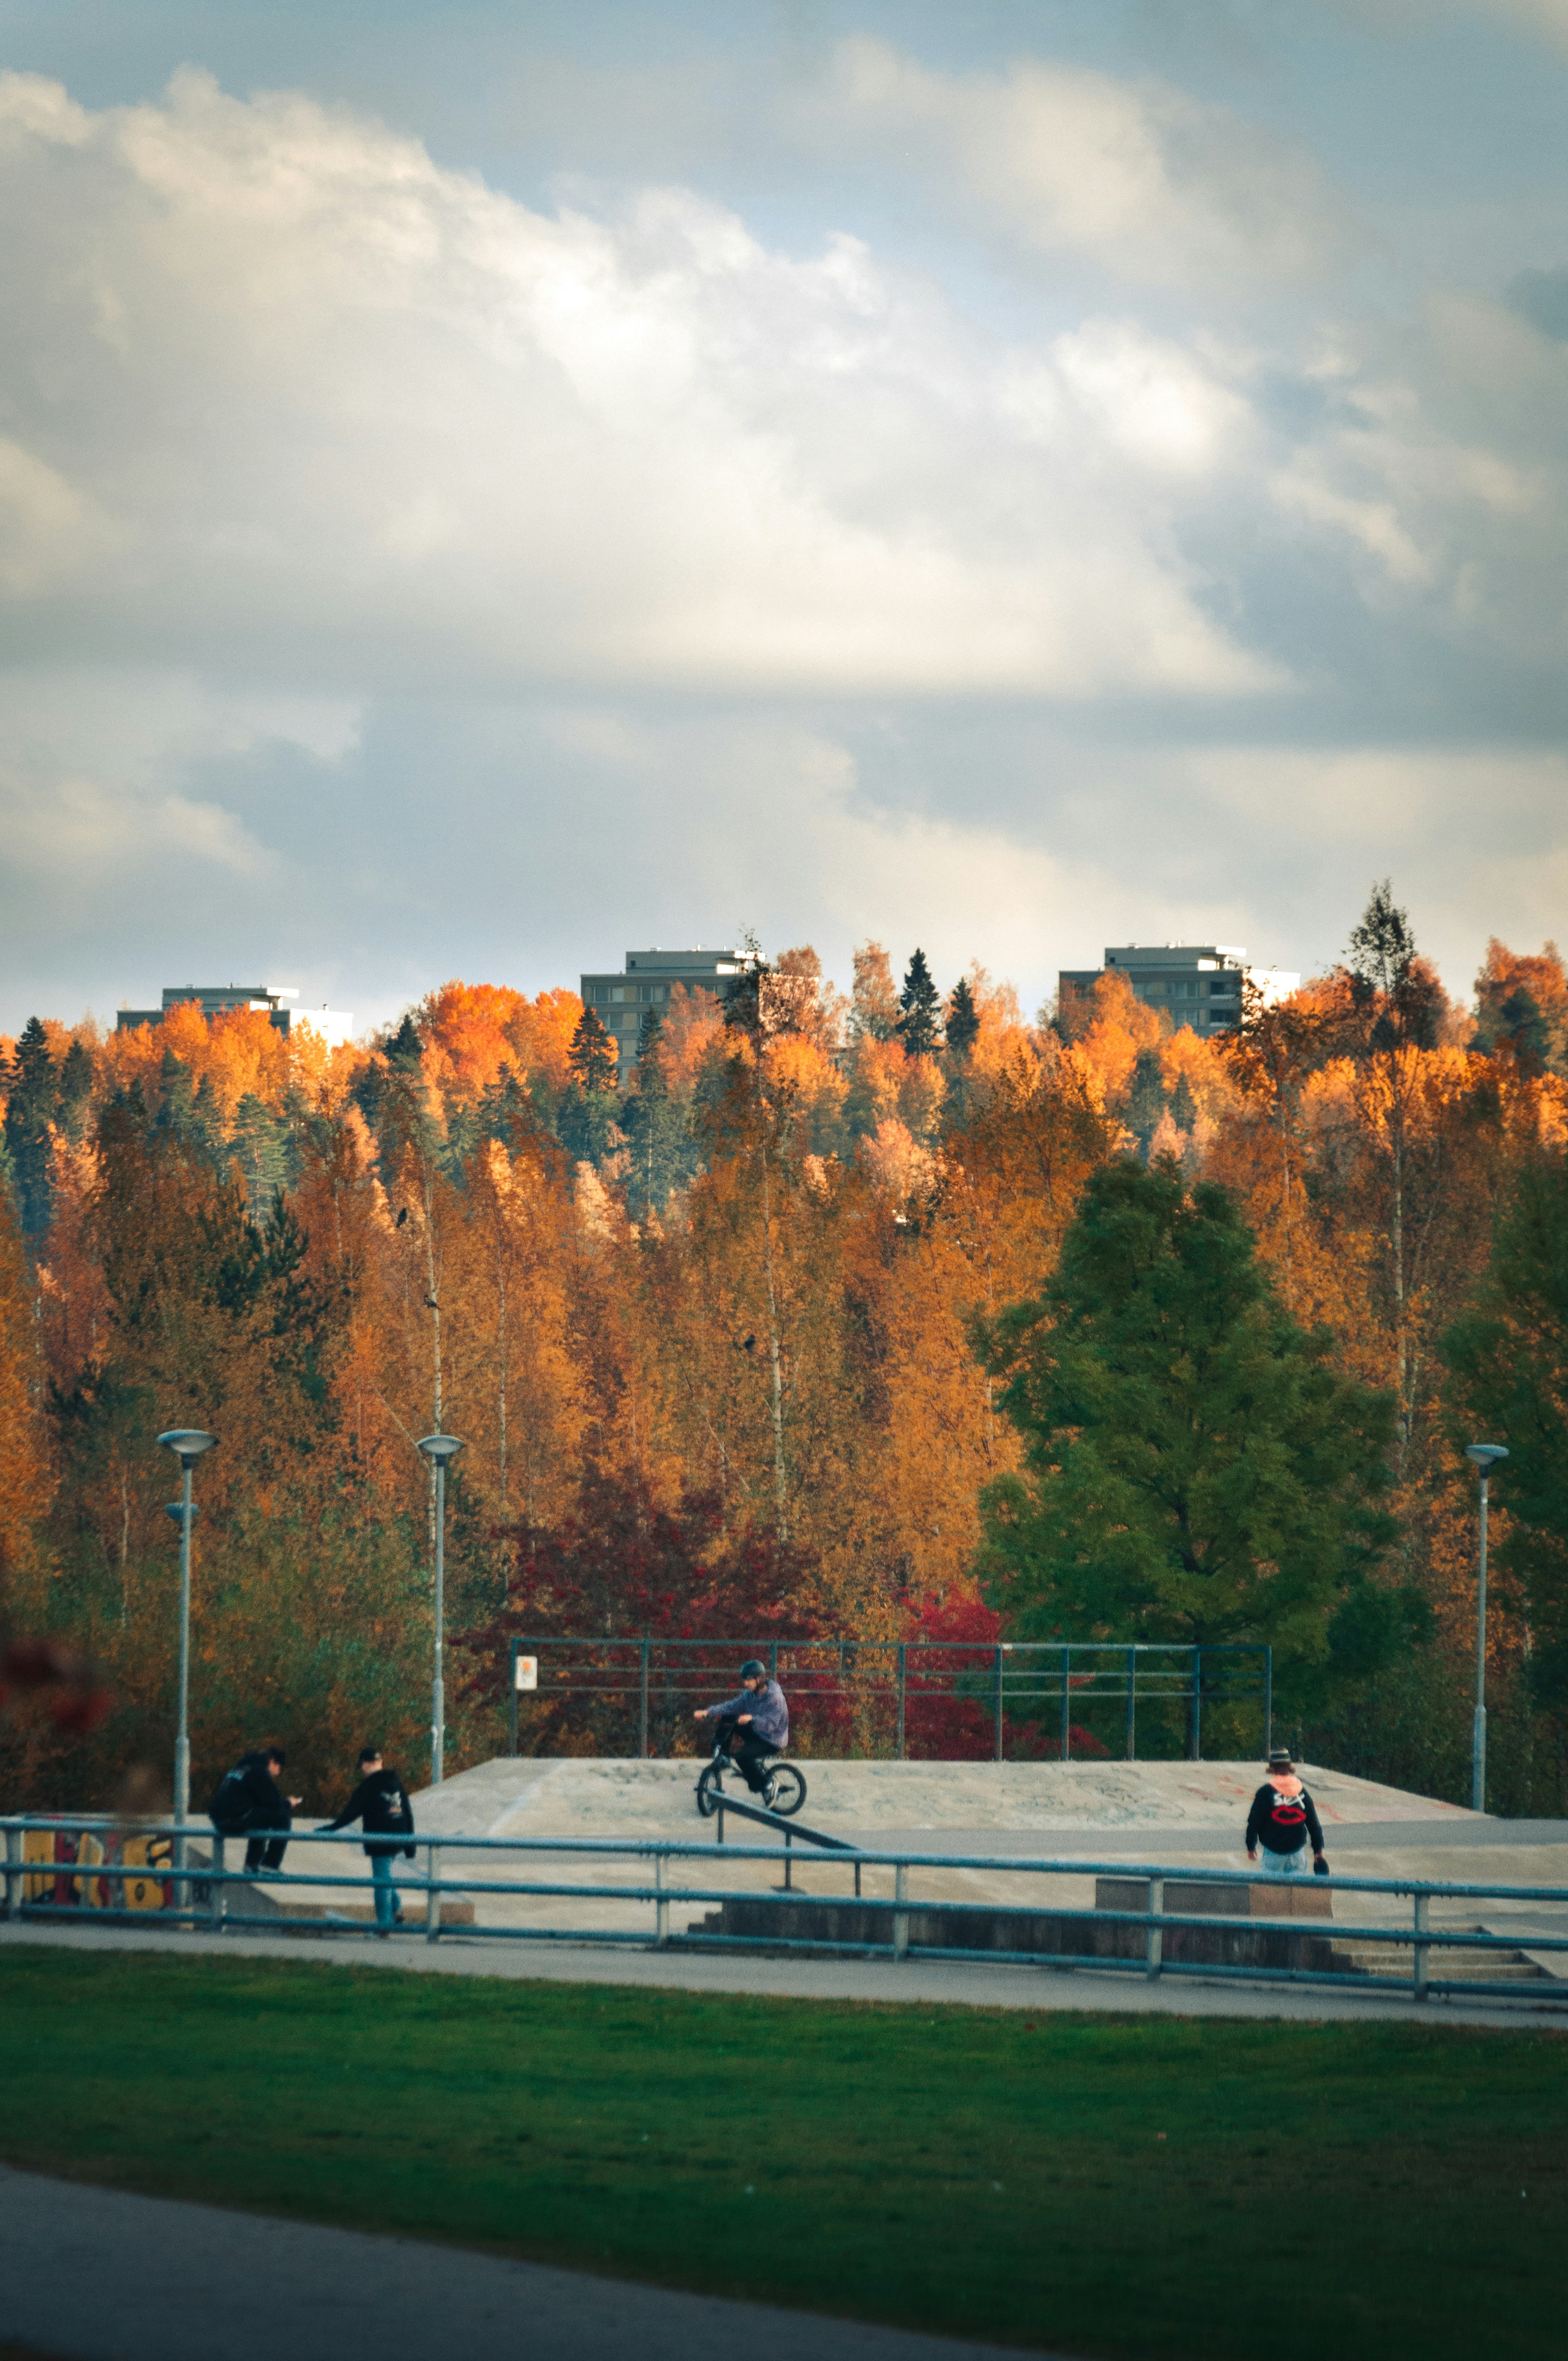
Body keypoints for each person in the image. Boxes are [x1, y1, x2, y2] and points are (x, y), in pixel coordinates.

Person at [322, 1747, 416, 1935]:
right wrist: (409, 1844)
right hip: (398, 1836)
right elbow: (407, 1810)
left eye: (363, 1766)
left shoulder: (370, 1785)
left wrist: (332, 1827)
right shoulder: (395, 1781)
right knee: (386, 1876)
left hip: (380, 1839)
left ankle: (383, 1927)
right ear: (381, 1764)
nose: (363, 1770)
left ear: (366, 1764)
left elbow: (352, 1811)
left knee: (381, 1881)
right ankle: (396, 1908)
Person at [694, 1660, 789, 1794]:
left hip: (772, 1740)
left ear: (759, 1679)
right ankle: (724, 1756)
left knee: (742, 1758)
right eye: (744, 1680)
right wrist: (708, 1712)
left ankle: (767, 1785)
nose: (745, 1684)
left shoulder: (775, 1698)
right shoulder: (749, 1695)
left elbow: (772, 1725)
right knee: (730, 1718)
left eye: (749, 1680)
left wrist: (752, 1718)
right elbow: (730, 1707)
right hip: (758, 1732)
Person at [208, 1745, 301, 1875]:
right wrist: (289, 1802)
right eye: (279, 1767)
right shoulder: (259, 1771)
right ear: (272, 1762)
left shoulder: (242, 1768)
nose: (278, 1772)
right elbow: (273, 1802)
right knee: (282, 1815)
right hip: (234, 1821)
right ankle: (270, 1864)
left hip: (220, 1820)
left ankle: (252, 1864)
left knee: (261, 1816)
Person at [1246, 1748, 1327, 1876]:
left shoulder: (1265, 1793)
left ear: (1271, 1768)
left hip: (1273, 1852)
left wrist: (1251, 1846)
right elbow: (1313, 1823)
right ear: (1290, 1766)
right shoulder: (1302, 1791)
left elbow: (1254, 1822)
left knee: (1271, 1890)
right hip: (1297, 1852)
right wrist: (1318, 1849)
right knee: (1296, 1891)